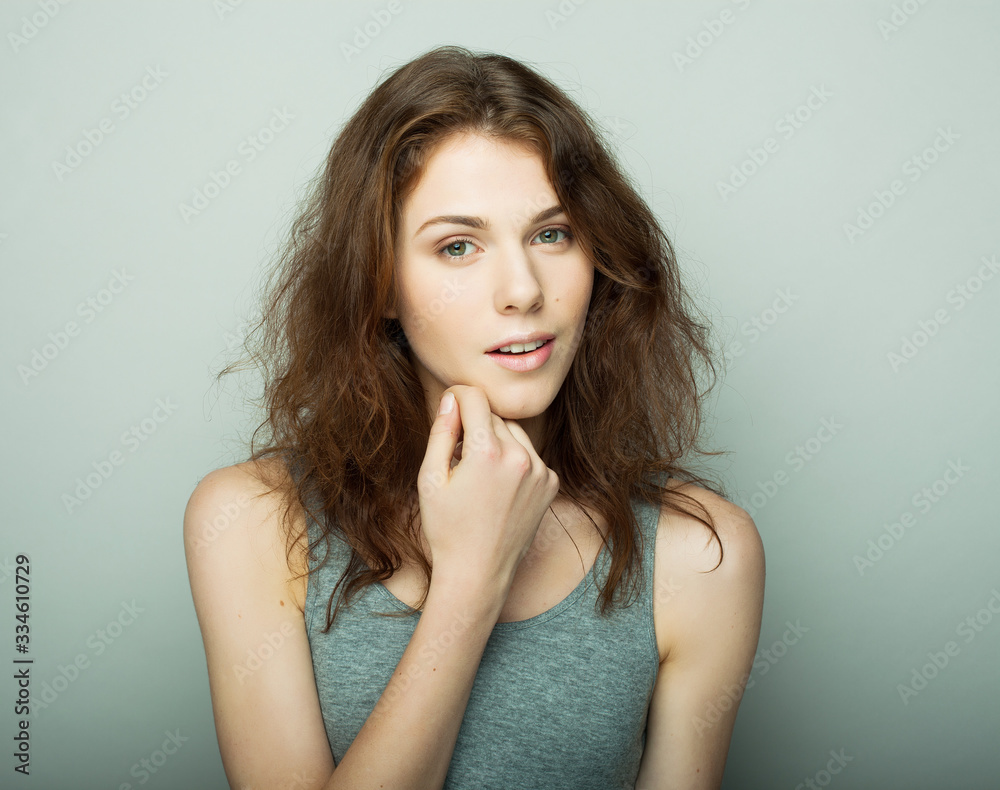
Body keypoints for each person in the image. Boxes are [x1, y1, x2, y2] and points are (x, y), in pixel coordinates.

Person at [183, 45, 765, 790]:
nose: (522, 289)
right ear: (381, 282)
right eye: (458, 246)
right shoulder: (254, 521)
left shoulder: (701, 556)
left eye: (552, 234)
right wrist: (471, 581)